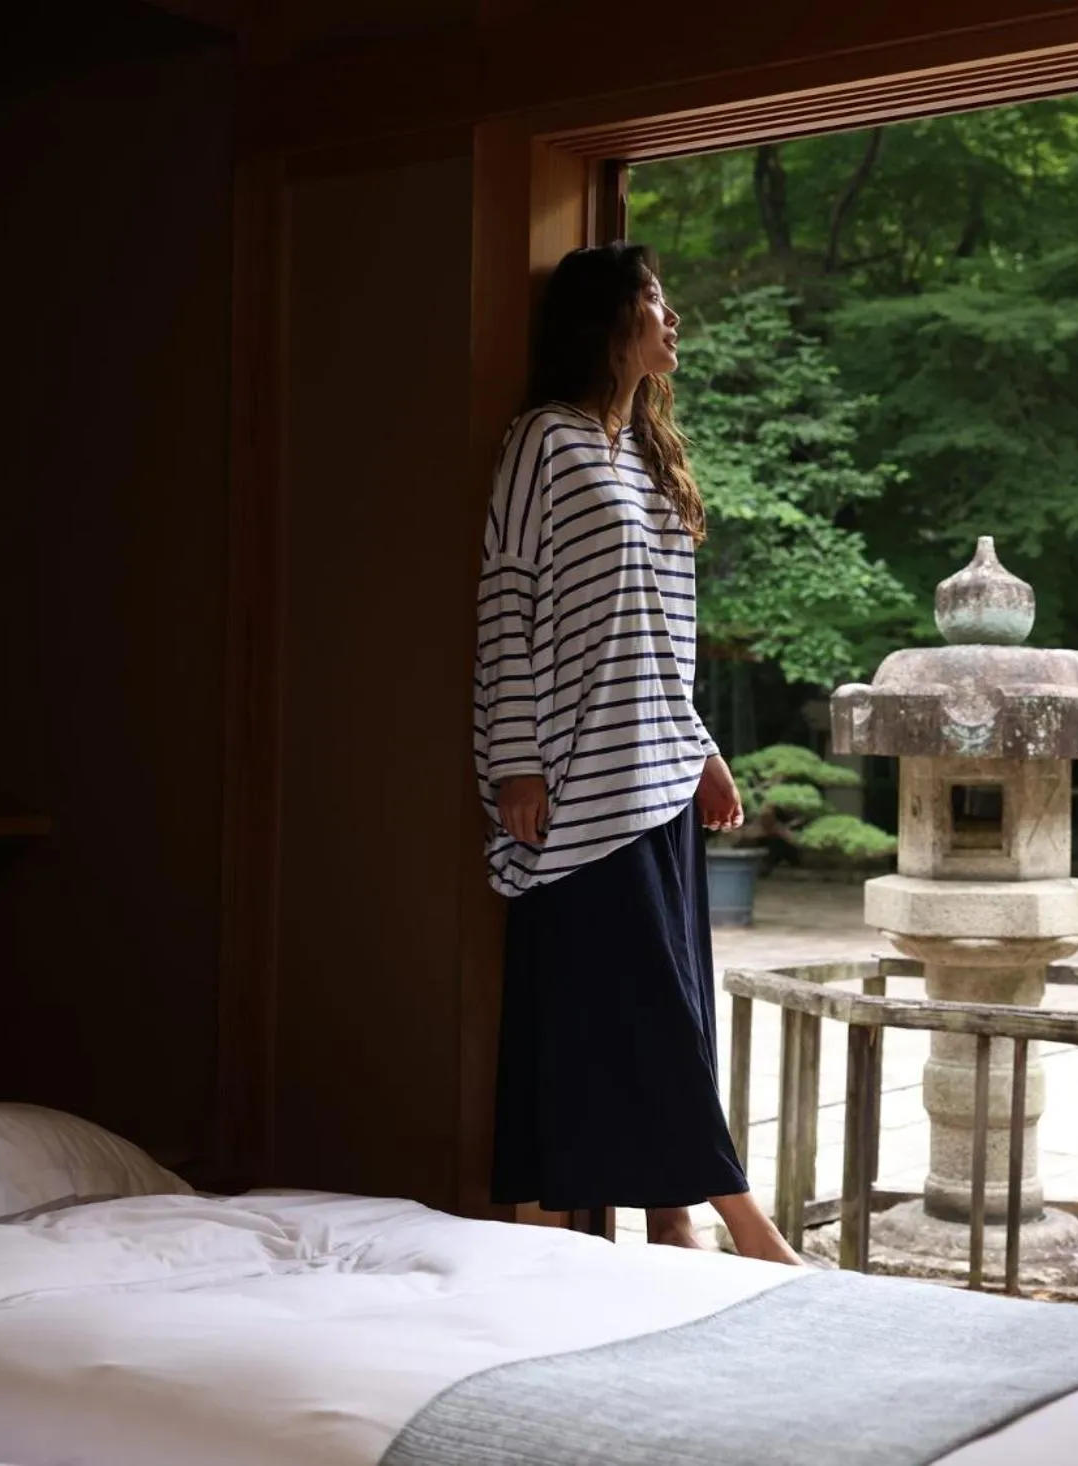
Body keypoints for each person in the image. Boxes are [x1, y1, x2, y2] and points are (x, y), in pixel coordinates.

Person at [473, 241, 804, 1266]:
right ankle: (749, 1227)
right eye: (657, 305)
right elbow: (505, 599)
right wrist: (513, 759)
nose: (673, 323)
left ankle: (671, 1220)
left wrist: (702, 746)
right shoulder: (543, 441)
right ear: (610, 320)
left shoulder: (650, 456)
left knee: (674, 1000)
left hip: (657, 770)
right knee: (643, 1008)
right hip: (577, 780)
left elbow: (664, 630)